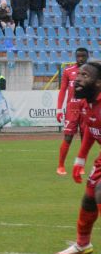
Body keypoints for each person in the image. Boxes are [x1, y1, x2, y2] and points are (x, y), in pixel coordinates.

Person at [60, 61, 101, 254]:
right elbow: (92, 131)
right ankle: (83, 245)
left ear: (99, 83)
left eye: (85, 76)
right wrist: (80, 159)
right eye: (79, 75)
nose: (77, 79)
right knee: (89, 199)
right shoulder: (88, 103)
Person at [55, 48, 91, 176]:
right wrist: (59, 109)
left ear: (88, 56)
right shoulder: (68, 71)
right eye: (78, 56)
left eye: (83, 56)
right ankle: (60, 166)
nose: (80, 58)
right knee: (68, 137)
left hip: (87, 108)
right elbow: (63, 90)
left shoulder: (92, 72)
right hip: (72, 108)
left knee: (85, 138)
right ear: (75, 57)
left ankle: (80, 167)